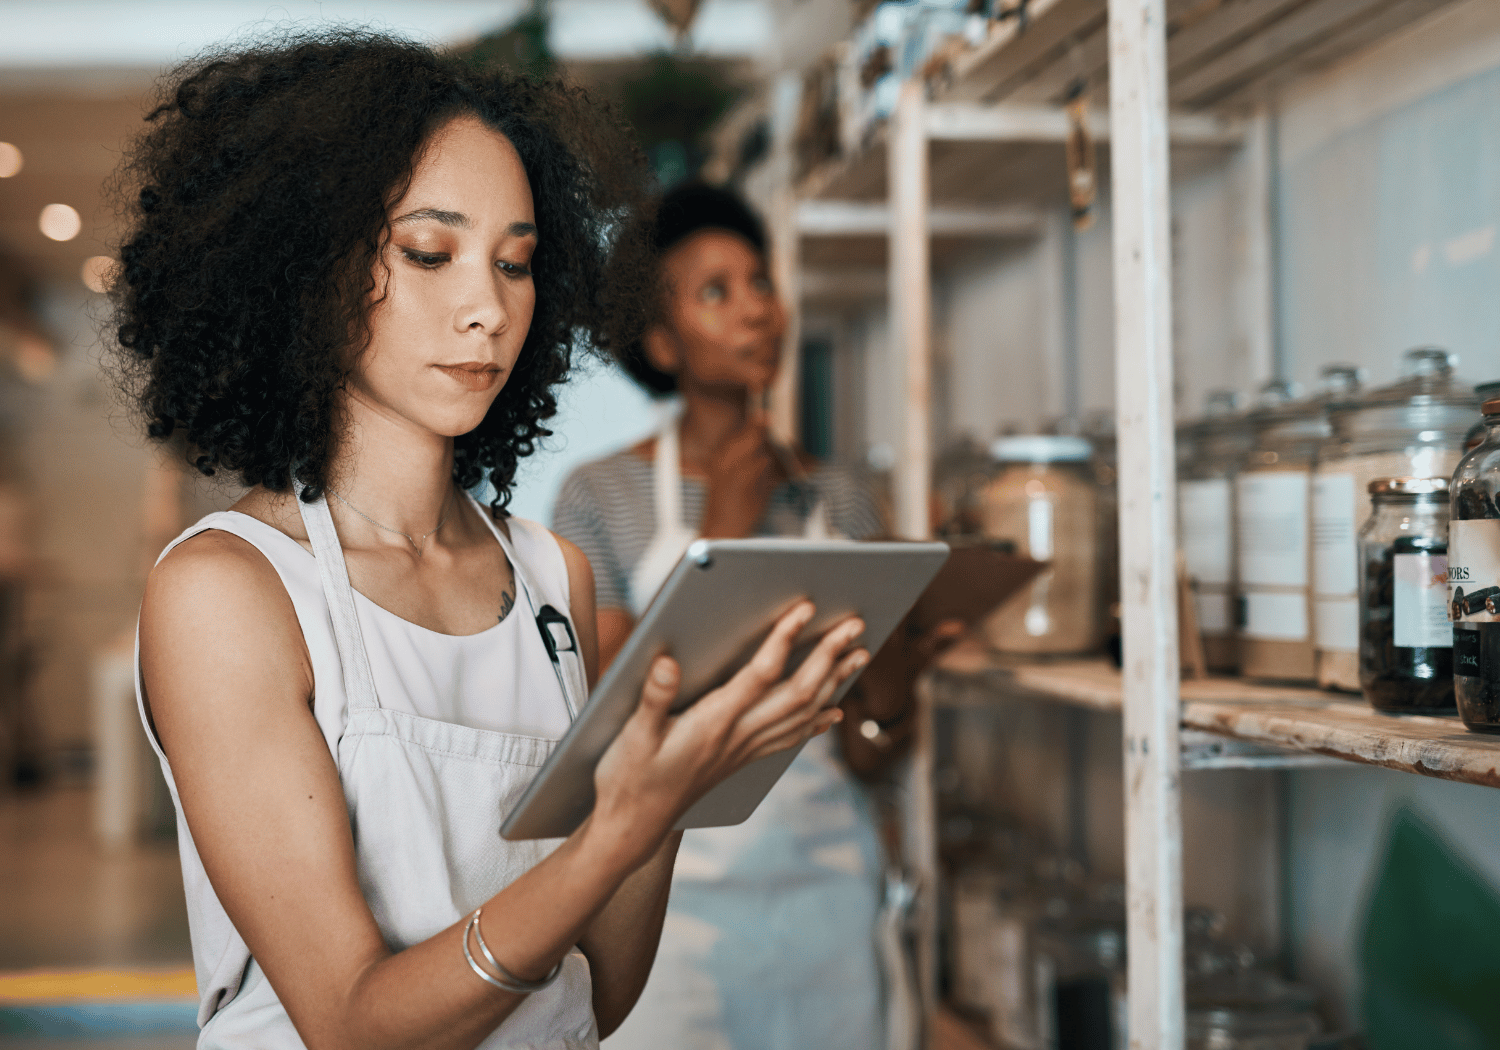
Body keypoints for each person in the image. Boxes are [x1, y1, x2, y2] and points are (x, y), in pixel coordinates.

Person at [115, 36, 869, 1050]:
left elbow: (597, 993)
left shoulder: (554, 574)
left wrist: (669, 794)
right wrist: (617, 830)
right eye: (430, 252)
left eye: (515, 262)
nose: (489, 307)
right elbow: (353, 1024)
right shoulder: (228, 590)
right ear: (308, 271)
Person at [552, 183, 935, 1050]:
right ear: (661, 341)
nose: (757, 311)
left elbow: (874, 748)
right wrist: (724, 519)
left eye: (761, 283)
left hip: (826, 887)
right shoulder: (598, 497)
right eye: (716, 292)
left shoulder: (840, 497)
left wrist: (904, 661)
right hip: (668, 900)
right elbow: (616, 721)